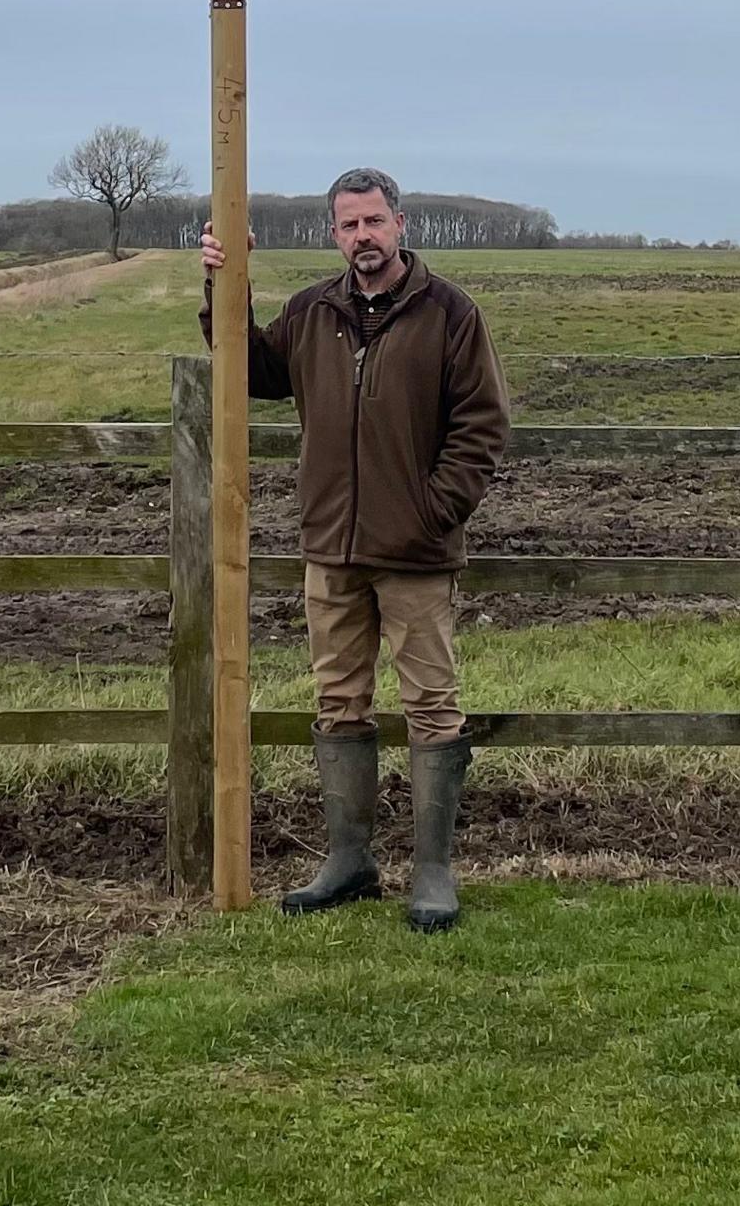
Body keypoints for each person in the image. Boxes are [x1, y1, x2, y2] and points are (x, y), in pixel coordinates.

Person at [200, 166, 509, 931]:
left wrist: (434, 513)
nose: (363, 237)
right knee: (339, 703)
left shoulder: (451, 314)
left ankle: (432, 871)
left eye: (375, 221)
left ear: (400, 224)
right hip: (331, 548)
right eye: (349, 225)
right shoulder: (312, 312)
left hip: (415, 553)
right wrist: (223, 286)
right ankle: (350, 861)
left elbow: (482, 426)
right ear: (333, 234)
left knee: (432, 709)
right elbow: (249, 370)